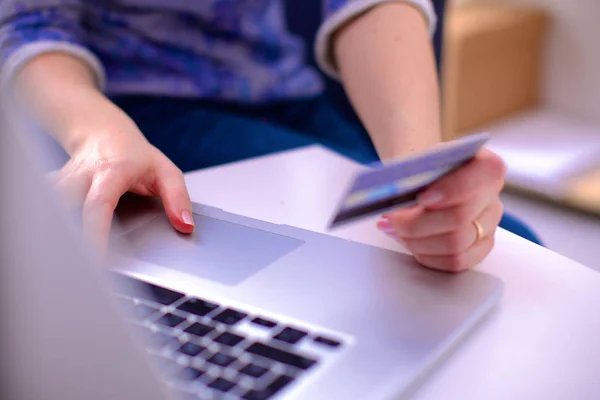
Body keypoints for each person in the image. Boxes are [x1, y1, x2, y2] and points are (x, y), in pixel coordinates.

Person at [0, 0, 507, 272]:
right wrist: (98, 134)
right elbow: (30, 22)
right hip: (132, 113)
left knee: (504, 248)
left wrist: (416, 175)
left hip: (283, 92)